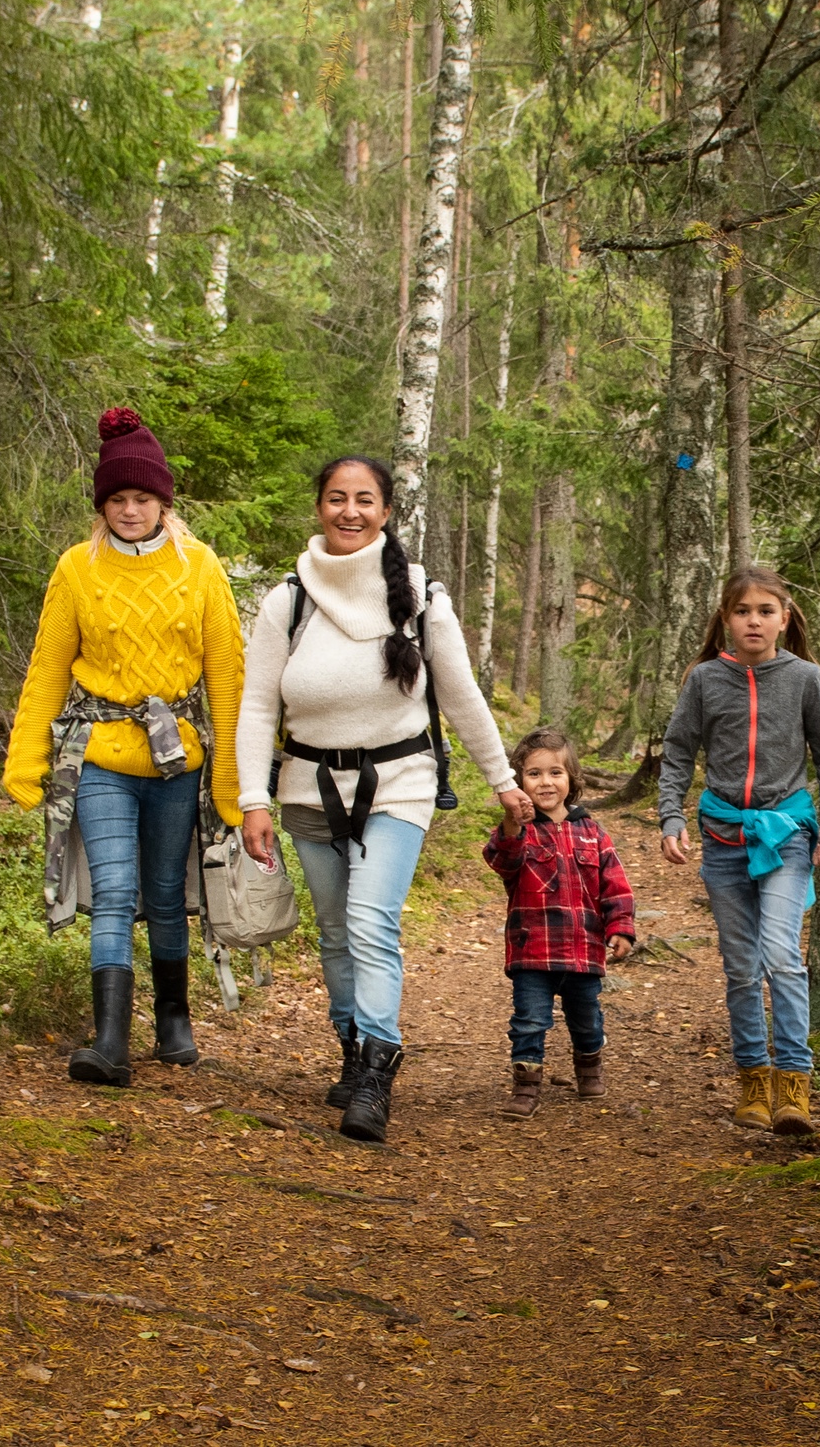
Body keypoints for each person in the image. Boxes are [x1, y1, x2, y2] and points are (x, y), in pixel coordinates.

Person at [236, 456, 529, 1142]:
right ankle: (349, 1045)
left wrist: (502, 777)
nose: (350, 511)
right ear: (319, 507)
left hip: (399, 782)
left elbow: (460, 696)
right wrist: (253, 796)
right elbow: (255, 707)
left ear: (386, 509)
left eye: (364, 499)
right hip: (307, 783)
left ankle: (377, 1066)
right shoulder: (289, 598)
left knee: (370, 922)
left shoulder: (422, 596)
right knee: (336, 931)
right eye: (336, 498)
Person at [3, 408, 244, 1087]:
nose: (130, 509)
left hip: (176, 759)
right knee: (113, 890)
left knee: (166, 893)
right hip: (101, 755)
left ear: (164, 502)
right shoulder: (76, 569)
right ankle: (109, 1039)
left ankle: (174, 1017)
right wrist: (26, 760)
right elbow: (48, 667)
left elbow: (228, 677)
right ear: (102, 504)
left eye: (142, 498)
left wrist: (228, 777)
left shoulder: (200, 569)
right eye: (117, 499)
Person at [658, 567, 820, 1135]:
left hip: (787, 834)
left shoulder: (805, 678)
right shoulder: (704, 680)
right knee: (741, 967)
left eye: (766, 611)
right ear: (726, 619)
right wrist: (671, 816)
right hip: (722, 839)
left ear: (784, 620)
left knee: (781, 955)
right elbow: (676, 753)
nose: (754, 621)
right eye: (743, 611)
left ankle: (794, 1084)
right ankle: (752, 1083)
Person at [482, 726, 636, 1119]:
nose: (545, 782)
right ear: (518, 781)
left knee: (586, 1017)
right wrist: (512, 822)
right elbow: (502, 862)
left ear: (572, 779)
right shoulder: (518, 832)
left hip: (583, 950)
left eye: (555, 772)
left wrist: (620, 927)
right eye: (533, 774)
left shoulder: (592, 833)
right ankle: (526, 1084)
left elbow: (615, 886)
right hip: (532, 947)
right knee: (529, 1020)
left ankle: (589, 1067)